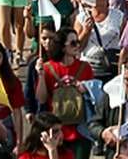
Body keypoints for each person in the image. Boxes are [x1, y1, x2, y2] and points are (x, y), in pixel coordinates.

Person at [36, 28, 95, 159]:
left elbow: (93, 98)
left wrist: (84, 88)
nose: (78, 46)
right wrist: (40, 76)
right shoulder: (47, 68)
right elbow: (41, 99)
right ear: (62, 47)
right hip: (56, 131)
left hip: (81, 129)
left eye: (78, 42)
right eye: (73, 43)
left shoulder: (85, 67)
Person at [74, 0, 124, 82]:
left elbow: (124, 42)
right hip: (88, 68)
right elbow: (77, 47)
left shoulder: (119, 16)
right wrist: (86, 32)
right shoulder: (82, 18)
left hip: (111, 67)